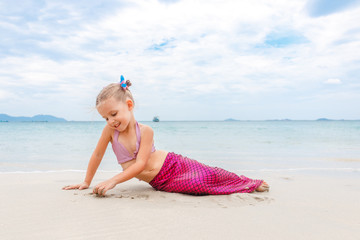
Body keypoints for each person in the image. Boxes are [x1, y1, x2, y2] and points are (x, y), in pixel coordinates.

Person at [63, 76, 269, 196]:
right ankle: (243, 184)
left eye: (113, 114)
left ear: (129, 105)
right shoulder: (110, 131)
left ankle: (250, 182)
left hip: (173, 165)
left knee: (211, 174)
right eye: (105, 118)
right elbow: (97, 155)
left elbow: (140, 164)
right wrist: (86, 181)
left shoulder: (145, 131)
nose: (110, 121)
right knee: (200, 187)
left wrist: (113, 181)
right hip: (160, 182)